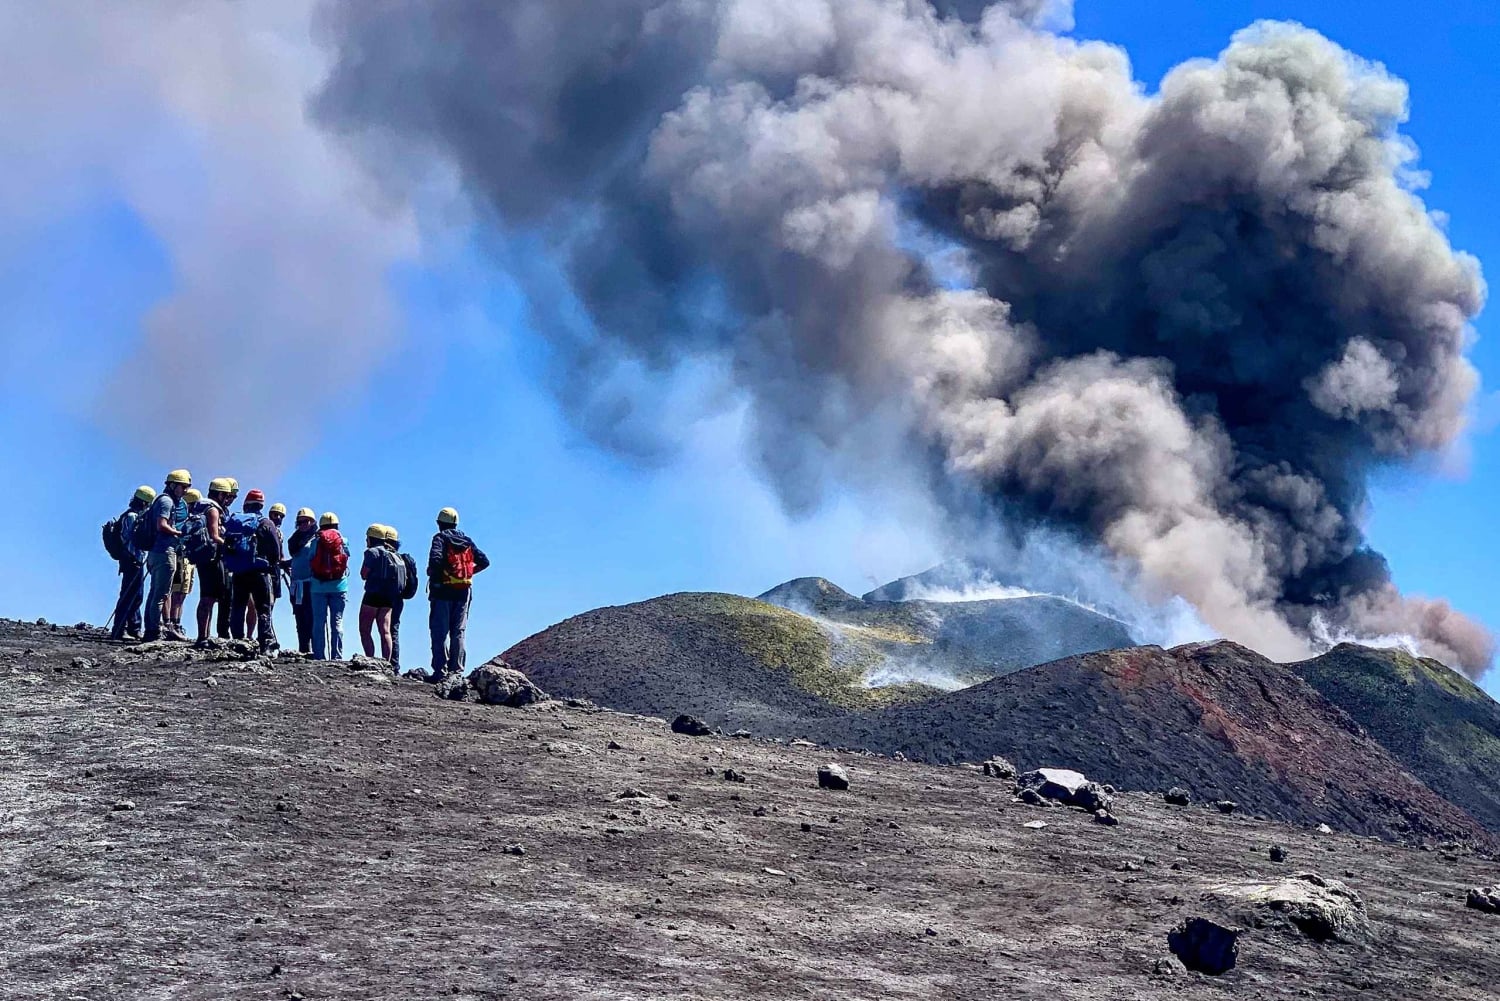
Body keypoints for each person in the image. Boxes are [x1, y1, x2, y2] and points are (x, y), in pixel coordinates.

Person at [427, 507, 489, 681]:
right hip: (463, 591)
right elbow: (484, 561)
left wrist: (437, 575)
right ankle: (457, 671)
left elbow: (436, 560)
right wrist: (467, 573)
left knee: (439, 631)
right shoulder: (467, 540)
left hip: (443, 591)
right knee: (458, 631)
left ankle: (440, 671)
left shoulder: (440, 538)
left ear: (439, 523)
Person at [225, 489, 282, 654]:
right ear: (261, 505)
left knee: (238, 607)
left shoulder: (236, 521)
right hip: (259, 572)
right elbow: (276, 551)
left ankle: (237, 642)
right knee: (263, 608)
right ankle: (265, 645)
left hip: (239, 571)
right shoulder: (266, 523)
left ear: (246, 505)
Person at [143, 469, 192, 642]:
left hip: (156, 552)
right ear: (173, 485)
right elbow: (161, 525)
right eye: (183, 486)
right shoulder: (167, 502)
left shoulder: (162, 500)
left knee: (154, 592)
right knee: (161, 594)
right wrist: (178, 533)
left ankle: (150, 629)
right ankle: (154, 631)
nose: (185, 490)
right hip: (164, 552)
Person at [107, 485, 156, 642]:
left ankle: (133, 628)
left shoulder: (129, 515)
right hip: (132, 559)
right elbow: (131, 539)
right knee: (131, 595)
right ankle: (120, 629)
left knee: (135, 595)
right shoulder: (132, 517)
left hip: (132, 559)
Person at [190, 478, 235, 647]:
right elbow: (214, 536)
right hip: (212, 557)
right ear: (221, 494)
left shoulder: (198, 506)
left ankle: (204, 636)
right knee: (209, 598)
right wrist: (230, 545)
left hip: (202, 558)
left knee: (206, 597)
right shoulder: (213, 510)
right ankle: (203, 637)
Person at [307, 512, 350, 661]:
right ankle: (337, 657)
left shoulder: (316, 542)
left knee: (319, 622)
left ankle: (319, 656)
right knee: (337, 622)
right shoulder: (343, 541)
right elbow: (346, 559)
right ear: (337, 526)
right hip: (339, 586)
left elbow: (310, 559)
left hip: (318, 586)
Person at [359, 524, 401, 660]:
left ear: (371, 538)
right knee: (385, 631)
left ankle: (370, 659)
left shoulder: (371, 552)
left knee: (365, 629)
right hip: (388, 597)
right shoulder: (392, 554)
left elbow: (364, 574)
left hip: (372, 595)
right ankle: (386, 663)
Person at [166, 487, 201, 637]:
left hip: (187, 558)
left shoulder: (190, 519)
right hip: (181, 555)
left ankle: (176, 623)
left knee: (182, 592)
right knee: (177, 591)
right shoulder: (186, 520)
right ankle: (172, 623)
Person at [383, 525, 418, 671]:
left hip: (385, 597)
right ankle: (394, 664)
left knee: (384, 630)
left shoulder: (385, 556)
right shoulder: (402, 559)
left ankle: (386, 663)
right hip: (399, 598)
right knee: (393, 630)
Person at [285, 507, 319, 654]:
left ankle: (315, 650)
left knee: (311, 617)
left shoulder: (316, 539)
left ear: (312, 522)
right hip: (297, 584)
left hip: (310, 583)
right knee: (300, 617)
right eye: (299, 522)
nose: (302, 524)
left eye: (305, 521)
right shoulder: (295, 540)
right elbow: (298, 558)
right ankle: (304, 648)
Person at [267, 503, 287, 615]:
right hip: (264, 568)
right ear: (270, 515)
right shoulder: (263, 526)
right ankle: (251, 633)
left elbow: (281, 554)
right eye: (276, 515)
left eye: (281, 516)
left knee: (271, 601)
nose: (278, 518)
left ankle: (266, 628)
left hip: (276, 568)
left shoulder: (279, 533)